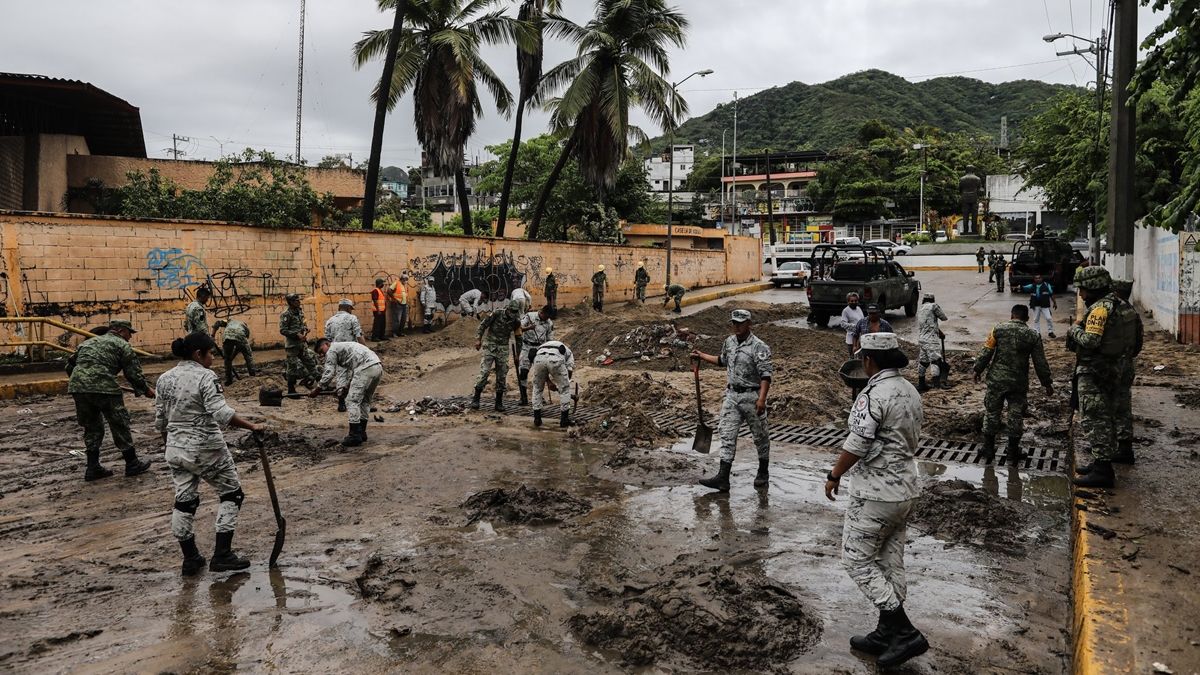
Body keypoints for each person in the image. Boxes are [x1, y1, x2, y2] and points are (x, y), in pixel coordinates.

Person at [823, 332, 928, 669]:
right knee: (889, 561)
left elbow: (858, 443)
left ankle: (904, 630)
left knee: (856, 560)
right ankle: (885, 633)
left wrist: (834, 474)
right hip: (904, 490)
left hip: (876, 492)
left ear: (868, 360)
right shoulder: (910, 390)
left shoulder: (873, 394)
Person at [156, 332, 266, 576]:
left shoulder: (164, 379)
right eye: (211, 353)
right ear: (198, 354)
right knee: (232, 494)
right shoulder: (206, 377)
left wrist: (171, 445)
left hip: (175, 448)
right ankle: (222, 554)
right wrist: (252, 426)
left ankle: (191, 559)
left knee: (184, 501)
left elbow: (160, 421)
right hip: (205, 447)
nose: (213, 358)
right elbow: (222, 414)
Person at [1069, 266, 1137, 489]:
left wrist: (1074, 330)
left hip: (1097, 371)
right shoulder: (1123, 305)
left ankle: (1103, 470)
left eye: (1083, 290)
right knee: (1113, 412)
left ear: (1094, 287)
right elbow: (1138, 339)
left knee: (1095, 417)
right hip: (1117, 367)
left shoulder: (1100, 309)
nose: (1081, 295)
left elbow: (1090, 341)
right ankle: (1104, 460)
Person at [690, 309, 773, 492]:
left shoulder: (759, 347)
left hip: (752, 396)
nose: (736, 326)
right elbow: (722, 361)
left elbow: (766, 376)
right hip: (732, 396)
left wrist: (762, 399)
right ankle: (723, 478)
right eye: (734, 322)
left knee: (760, 436)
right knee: (727, 434)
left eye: (740, 323)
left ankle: (763, 471)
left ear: (749, 324)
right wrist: (702, 355)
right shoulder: (729, 342)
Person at [67, 319, 155, 481]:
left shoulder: (89, 342)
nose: (130, 337)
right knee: (119, 422)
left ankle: (92, 468)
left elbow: (69, 365)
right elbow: (133, 374)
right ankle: (132, 463)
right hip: (104, 386)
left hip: (78, 387)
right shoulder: (122, 345)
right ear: (121, 331)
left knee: (91, 426)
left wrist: (83, 382)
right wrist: (145, 390)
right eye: (130, 333)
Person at [973, 305, 1054, 463]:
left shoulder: (998, 329)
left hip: (997, 381)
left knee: (991, 413)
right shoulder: (1033, 335)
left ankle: (988, 449)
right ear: (1027, 319)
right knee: (1016, 416)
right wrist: (1047, 383)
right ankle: (1012, 452)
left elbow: (986, 351)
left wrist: (977, 369)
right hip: (1018, 382)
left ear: (1012, 315)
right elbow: (1040, 362)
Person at [311, 338, 383, 447]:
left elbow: (329, 373)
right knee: (365, 400)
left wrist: (317, 389)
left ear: (326, 344)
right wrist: (346, 387)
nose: (322, 355)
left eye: (321, 351)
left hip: (365, 368)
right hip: (377, 366)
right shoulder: (344, 347)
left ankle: (354, 435)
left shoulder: (332, 350)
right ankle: (361, 432)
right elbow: (354, 371)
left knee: (351, 401)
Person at [1108, 280, 1143, 465]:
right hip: (1127, 364)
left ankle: (1113, 447)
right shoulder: (1132, 312)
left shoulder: (1113, 311)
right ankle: (1124, 447)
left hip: (1113, 365)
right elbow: (1139, 342)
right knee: (1124, 405)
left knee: (1110, 406)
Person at [473, 299, 523, 411]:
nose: (513, 313)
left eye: (515, 311)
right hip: (490, 345)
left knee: (502, 375)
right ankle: (476, 398)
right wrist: (478, 339)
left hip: (503, 348)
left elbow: (519, 338)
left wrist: (518, 355)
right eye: (512, 310)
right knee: (485, 372)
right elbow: (483, 325)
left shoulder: (516, 321)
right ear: (508, 308)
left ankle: (499, 403)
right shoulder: (497, 313)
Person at [324, 299, 366, 413]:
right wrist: (366, 350)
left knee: (341, 375)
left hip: (337, 352)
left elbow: (327, 340)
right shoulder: (352, 318)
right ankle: (359, 402)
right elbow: (359, 335)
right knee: (358, 375)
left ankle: (341, 402)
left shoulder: (329, 321)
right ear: (348, 308)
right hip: (352, 352)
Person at [280, 293, 320, 394]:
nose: (299, 302)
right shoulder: (286, 314)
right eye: (296, 300)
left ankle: (321, 384)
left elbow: (303, 321)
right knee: (292, 368)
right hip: (292, 346)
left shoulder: (299, 311)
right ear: (290, 302)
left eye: (298, 300)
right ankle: (291, 390)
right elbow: (283, 330)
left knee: (310, 363)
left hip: (302, 345)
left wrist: (305, 328)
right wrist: (297, 335)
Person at [529, 340, 575, 428]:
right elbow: (569, 370)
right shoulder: (569, 354)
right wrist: (564, 383)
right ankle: (564, 420)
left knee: (537, 388)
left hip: (539, 359)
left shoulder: (541, 348)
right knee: (565, 390)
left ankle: (537, 418)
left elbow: (543, 366)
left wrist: (549, 382)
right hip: (556, 359)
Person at [518, 305, 555, 406]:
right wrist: (529, 327)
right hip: (527, 346)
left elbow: (550, 339)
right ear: (542, 312)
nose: (547, 319)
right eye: (546, 316)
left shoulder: (549, 323)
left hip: (540, 348)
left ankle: (539, 397)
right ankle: (523, 397)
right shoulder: (530, 316)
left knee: (541, 374)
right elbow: (519, 329)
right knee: (523, 372)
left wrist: (548, 351)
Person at [915, 293, 949, 392]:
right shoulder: (933, 306)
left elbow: (929, 324)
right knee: (935, 361)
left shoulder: (921, 309)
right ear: (932, 299)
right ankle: (937, 385)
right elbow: (944, 317)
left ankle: (921, 384)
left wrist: (940, 332)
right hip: (931, 340)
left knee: (923, 362)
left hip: (922, 339)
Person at [213, 319, 255, 386]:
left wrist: (212, 335)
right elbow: (242, 344)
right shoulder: (245, 327)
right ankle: (252, 375)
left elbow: (217, 323)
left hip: (227, 336)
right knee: (248, 356)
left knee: (227, 359)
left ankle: (229, 380)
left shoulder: (229, 321)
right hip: (240, 336)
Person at [1019, 273, 1058, 339]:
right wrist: (1020, 286)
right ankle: (1037, 332)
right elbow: (1024, 287)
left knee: (1049, 318)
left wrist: (1055, 303)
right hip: (1035, 305)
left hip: (1045, 305)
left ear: (1042, 279)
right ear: (1034, 279)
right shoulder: (1032, 286)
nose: (1038, 279)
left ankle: (1050, 332)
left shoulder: (1047, 285)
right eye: (1036, 278)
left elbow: (1051, 294)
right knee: (1036, 319)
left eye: (1039, 278)